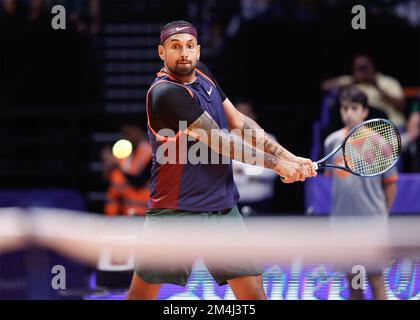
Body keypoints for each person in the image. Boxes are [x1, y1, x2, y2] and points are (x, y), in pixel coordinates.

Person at [126, 20, 317, 300]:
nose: (184, 53)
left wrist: (289, 155)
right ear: (161, 52)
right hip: (176, 213)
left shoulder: (203, 75)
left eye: (190, 46)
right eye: (175, 47)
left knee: (254, 296)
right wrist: (277, 165)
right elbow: (221, 141)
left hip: (223, 209)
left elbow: (239, 123)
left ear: (199, 51)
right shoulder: (165, 93)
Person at [324, 85, 398, 300]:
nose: (348, 113)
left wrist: (382, 215)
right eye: (344, 108)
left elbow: (391, 183)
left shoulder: (380, 143)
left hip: (371, 226)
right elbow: (334, 182)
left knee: (375, 281)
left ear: (365, 111)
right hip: (343, 226)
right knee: (355, 284)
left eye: (354, 108)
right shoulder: (332, 141)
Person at [322, 54, 406, 128]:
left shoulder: (387, 82)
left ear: (372, 66)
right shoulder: (352, 81)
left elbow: (402, 106)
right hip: (362, 128)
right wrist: (353, 80)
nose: (363, 71)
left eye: (365, 67)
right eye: (359, 68)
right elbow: (325, 86)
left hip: (391, 125)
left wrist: (376, 85)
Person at [232, 102, 277, 215]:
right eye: (238, 114)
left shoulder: (269, 140)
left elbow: (273, 172)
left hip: (261, 201)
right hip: (233, 202)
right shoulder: (224, 139)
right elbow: (223, 173)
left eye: (246, 114)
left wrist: (243, 171)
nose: (242, 118)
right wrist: (256, 168)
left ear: (253, 116)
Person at [101, 118, 152, 216]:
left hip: (143, 213)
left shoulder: (151, 153)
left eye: (128, 132)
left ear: (139, 131)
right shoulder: (124, 153)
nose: (126, 136)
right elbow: (110, 180)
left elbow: (138, 182)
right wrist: (107, 167)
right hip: (121, 212)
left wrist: (116, 165)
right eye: (124, 133)